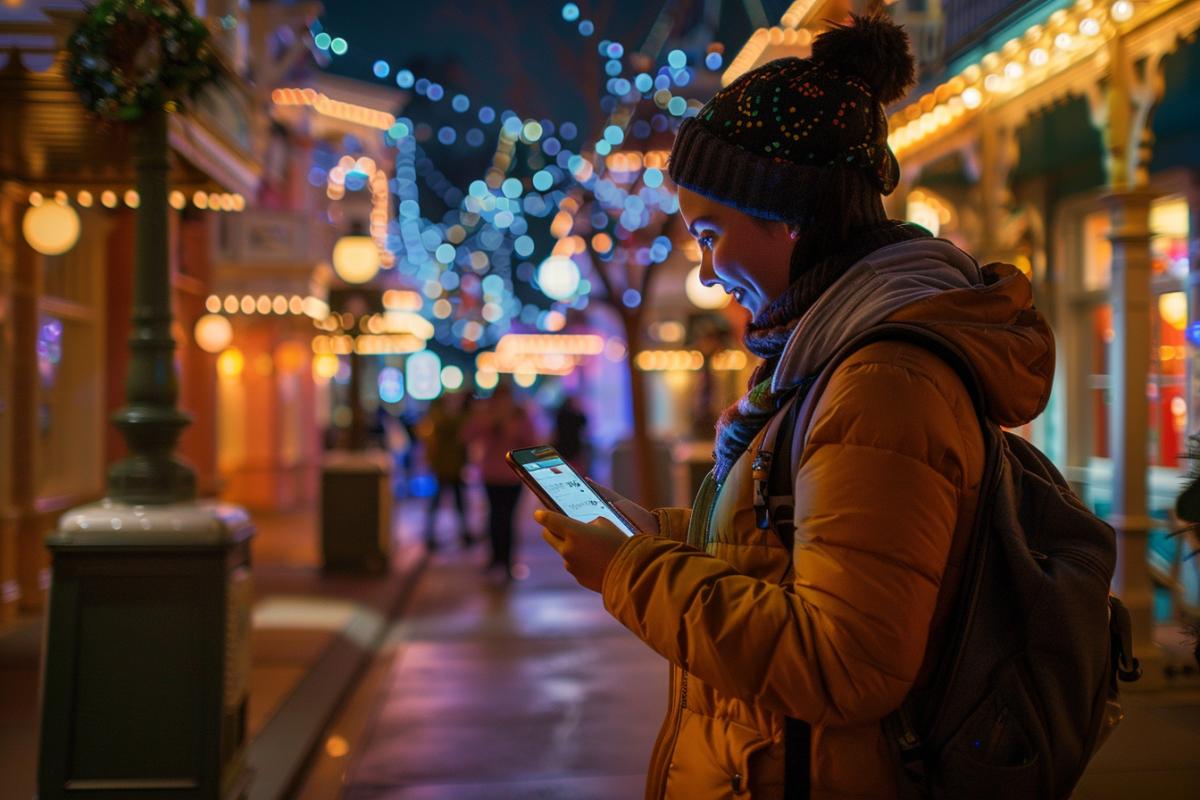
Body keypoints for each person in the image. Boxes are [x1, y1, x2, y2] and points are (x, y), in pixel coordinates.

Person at [535, 14, 1055, 799]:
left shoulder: (880, 383)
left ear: (788, 216)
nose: (708, 272)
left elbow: (845, 662)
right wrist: (651, 533)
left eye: (711, 234)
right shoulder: (829, 359)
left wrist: (631, 572)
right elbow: (794, 544)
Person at [464, 381, 536, 580]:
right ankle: (495, 559)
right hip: (491, 475)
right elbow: (466, 436)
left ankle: (507, 561)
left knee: (509, 519)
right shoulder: (486, 415)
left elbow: (532, 440)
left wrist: (514, 431)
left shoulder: (520, 415)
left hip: (513, 476)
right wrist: (485, 421)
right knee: (495, 517)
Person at [419, 392, 472, 551]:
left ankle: (460, 533)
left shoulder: (444, 416)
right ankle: (431, 535)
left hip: (452, 466)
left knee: (457, 502)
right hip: (443, 466)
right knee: (443, 502)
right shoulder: (440, 417)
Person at [552, 394, 589, 473]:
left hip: (561, 445)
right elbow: (584, 421)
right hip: (573, 446)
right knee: (576, 470)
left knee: (564, 468)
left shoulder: (560, 414)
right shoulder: (575, 416)